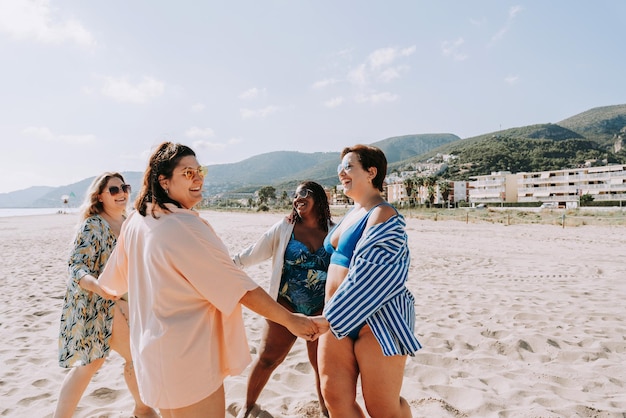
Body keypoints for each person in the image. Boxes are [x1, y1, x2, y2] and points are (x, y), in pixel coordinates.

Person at [98, 141, 328, 417]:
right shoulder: (182, 227)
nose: (198, 178)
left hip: (152, 354)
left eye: (199, 170)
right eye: (187, 173)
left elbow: (111, 284)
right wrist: (292, 320)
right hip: (188, 360)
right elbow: (240, 288)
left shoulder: (137, 220)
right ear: (164, 181)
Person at [318, 144, 422, 418]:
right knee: (335, 399)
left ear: (371, 172)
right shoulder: (353, 212)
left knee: (383, 409)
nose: (341, 173)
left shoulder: (384, 214)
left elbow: (371, 278)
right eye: (340, 168)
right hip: (335, 319)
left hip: (375, 322)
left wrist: (328, 318)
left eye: (349, 167)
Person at [54, 173, 158, 418]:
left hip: (128, 303)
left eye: (124, 187)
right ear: (99, 196)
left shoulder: (130, 221)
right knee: (132, 357)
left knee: (92, 364)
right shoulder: (93, 225)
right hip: (100, 304)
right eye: (113, 189)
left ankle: (142, 410)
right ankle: (143, 411)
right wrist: (99, 287)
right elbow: (76, 266)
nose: (121, 193)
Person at [232, 181, 334, 418]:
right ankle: (248, 408)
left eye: (304, 194)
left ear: (319, 198)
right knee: (268, 358)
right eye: (295, 196)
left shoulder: (334, 231)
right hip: (285, 306)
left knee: (321, 366)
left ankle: (325, 411)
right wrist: (225, 267)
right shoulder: (284, 228)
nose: (298, 199)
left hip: (321, 310)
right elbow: (251, 254)